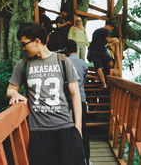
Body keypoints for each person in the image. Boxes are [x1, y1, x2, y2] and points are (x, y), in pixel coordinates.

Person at [7, 22, 85, 165]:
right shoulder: (23, 64)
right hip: (38, 132)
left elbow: (75, 94)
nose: (23, 48)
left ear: (37, 41)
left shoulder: (62, 61)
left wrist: (78, 128)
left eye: (24, 44)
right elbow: (11, 88)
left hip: (65, 128)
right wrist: (15, 94)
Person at [65, 39, 90, 165]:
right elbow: (84, 81)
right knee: (83, 130)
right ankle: (86, 159)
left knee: (68, 129)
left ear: (66, 50)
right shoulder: (84, 64)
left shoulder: (64, 62)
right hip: (81, 99)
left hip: (67, 101)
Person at [87, 21, 119, 88]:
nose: (111, 30)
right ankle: (105, 82)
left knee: (99, 67)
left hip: (93, 51)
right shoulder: (106, 31)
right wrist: (115, 39)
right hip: (99, 51)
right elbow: (108, 39)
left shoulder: (96, 31)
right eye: (111, 29)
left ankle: (103, 84)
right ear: (109, 26)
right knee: (110, 64)